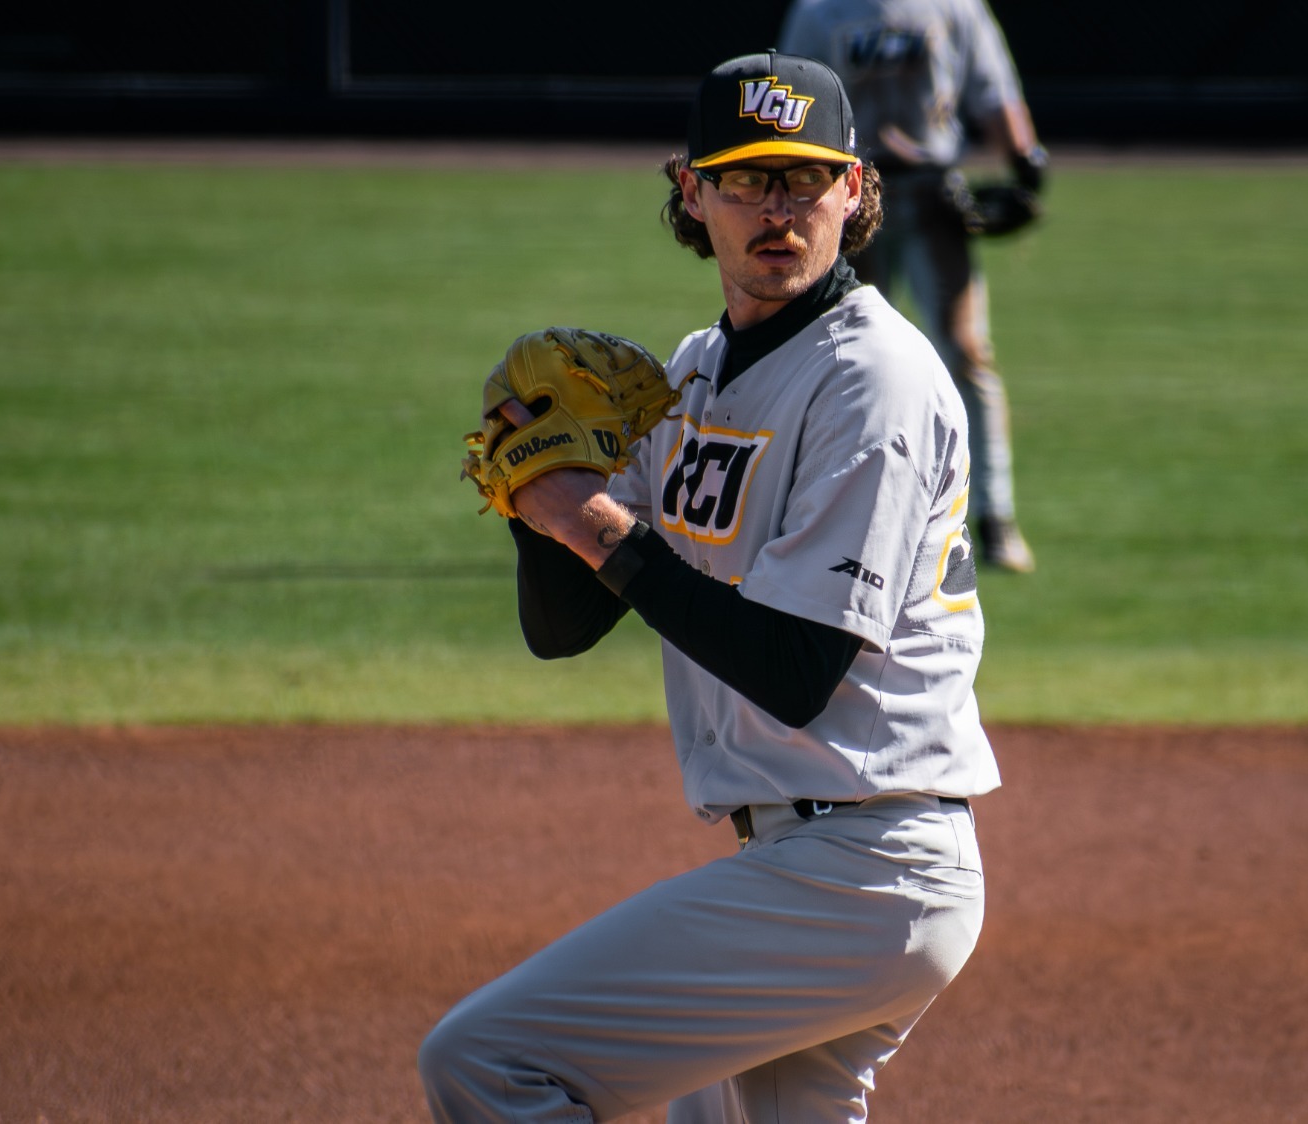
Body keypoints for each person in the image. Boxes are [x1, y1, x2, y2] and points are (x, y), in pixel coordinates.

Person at [418, 50, 1000, 1123]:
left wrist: (592, 521)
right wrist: (539, 501)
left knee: (485, 1059)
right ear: (691, 191)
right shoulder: (691, 371)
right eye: (743, 180)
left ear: (854, 190)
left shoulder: (871, 378)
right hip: (818, 859)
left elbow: (794, 666)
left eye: (803, 179)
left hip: (862, 865)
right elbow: (566, 625)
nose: (774, 211)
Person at [778, 0, 1048, 572]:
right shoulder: (821, 10)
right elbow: (791, 103)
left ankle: (994, 518)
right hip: (847, 199)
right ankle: (842, 512)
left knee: (967, 351)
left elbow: (991, 85)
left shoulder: (953, 6)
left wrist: (1025, 160)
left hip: (932, 194)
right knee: (845, 358)